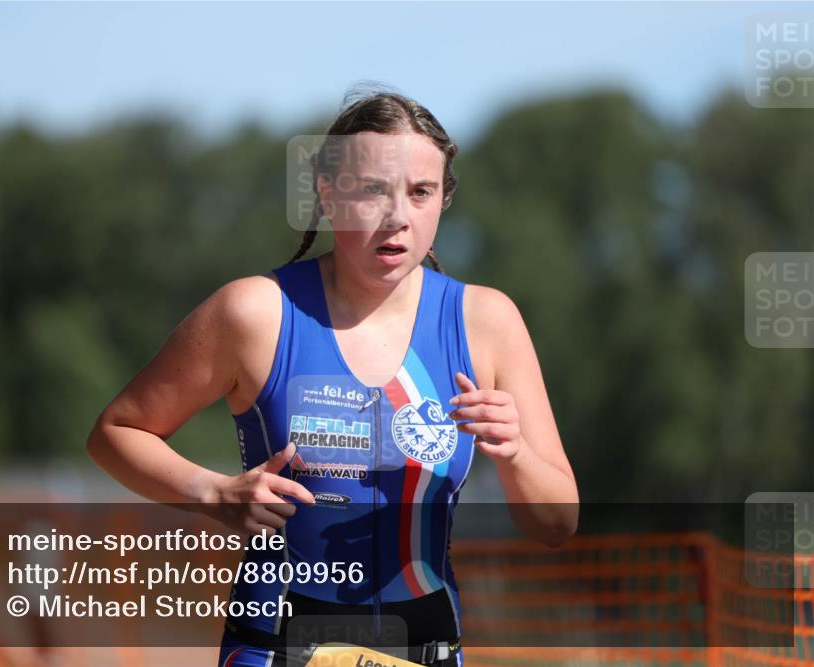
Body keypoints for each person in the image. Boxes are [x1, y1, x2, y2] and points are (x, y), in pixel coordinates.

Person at [87, 89, 579, 667]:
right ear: (328, 194)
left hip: (425, 644)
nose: (398, 216)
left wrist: (515, 454)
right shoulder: (256, 313)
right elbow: (115, 433)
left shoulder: (486, 322)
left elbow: (556, 524)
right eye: (373, 189)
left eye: (420, 192)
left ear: (443, 198)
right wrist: (213, 493)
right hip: (276, 642)